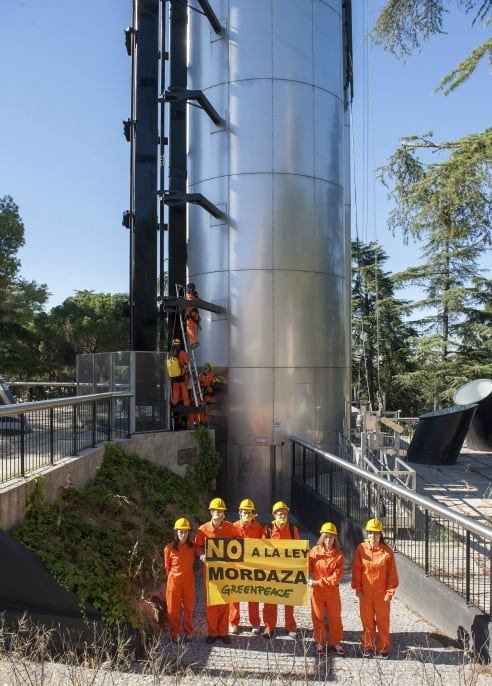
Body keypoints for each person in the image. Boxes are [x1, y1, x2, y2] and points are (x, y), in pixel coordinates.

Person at [351, 518, 399, 659]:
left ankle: (383, 647)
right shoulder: (361, 549)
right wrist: (357, 588)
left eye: (377, 533)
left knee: (383, 621)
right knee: (367, 621)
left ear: (380, 535)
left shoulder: (387, 552)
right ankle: (367, 646)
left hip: (381, 593)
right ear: (367, 534)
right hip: (365, 593)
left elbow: (392, 574)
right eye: (371, 533)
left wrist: (390, 592)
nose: (374, 536)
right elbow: (357, 570)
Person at [194, 498, 239, 644]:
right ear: (211, 512)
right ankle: (212, 632)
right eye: (215, 511)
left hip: (226, 571)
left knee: (225, 601)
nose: (218, 513)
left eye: (221, 511)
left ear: (224, 513)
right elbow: (197, 546)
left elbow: (240, 543)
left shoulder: (231, 528)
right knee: (212, 602)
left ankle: (224, 632)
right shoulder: (202, 529)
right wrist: (201, 555)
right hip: (211, 572)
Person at [261, 500, 300, 639]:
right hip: (271, 572)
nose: (282, 516)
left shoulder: (292, 529)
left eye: (284, 513)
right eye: (279, 513)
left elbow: (299, 550)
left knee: (289, 600)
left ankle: (290, 627)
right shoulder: (268, 530)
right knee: (270, 601)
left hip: (287, 572)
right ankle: (269, 627)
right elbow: (260, 550)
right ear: (274, 515)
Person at [308, 522, 345, 656]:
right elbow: (307, 566)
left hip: (331, 591)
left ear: (335, 538)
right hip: (317, 592)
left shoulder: (339, 556)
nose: (328, 540)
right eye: (326, 537)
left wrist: (318, 583)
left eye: (331, 537)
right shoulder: (315, 551)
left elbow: (336, 577)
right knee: (317, 617)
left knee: (335, 618)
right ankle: (319, 642)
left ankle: (335, 642)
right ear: (322, 537)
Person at [229, 498, 264, 635]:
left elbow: (263, 548)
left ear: (253, 513)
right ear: (240, 512)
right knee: (234, 596)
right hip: (237, 568)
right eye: (244, 512)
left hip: (252, 568)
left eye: (249, 512)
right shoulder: (233, 527)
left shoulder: (258, 528)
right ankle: (233, 623)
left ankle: (255, 623)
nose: (247, 514)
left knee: (253, 596)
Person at [164, 517, 196, 642]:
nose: (183, 534)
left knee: (188, 608)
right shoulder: (169, 548)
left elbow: (200, 552)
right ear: (176, 532)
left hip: (189, 581)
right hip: (174, 582)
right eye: (181, 531)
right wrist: (173, 578)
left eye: (186, 531)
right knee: (173, 609)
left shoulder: (193, 546)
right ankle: (175, 634)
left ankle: (189, 632)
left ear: (188, 532)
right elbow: (167, 567)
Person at [167, 338, 190, 411]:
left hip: (173, 376)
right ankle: (186, 405)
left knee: (175, 391)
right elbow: (187, 362)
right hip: (182, 375)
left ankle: (174, 403)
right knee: (184, 391)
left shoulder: (170, 354)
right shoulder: (182, 353)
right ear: (179, 345)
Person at [185, 282, 201, 348]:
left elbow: (189, 304)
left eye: (188, 288)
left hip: (191, 316)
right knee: (192, 329)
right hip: (195, 316)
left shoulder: (189, 296)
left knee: (189, 329)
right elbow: (200, 301)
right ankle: (194, 342)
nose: (187, 290)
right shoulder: (195, 296)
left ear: (190, 289)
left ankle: (195, 342)